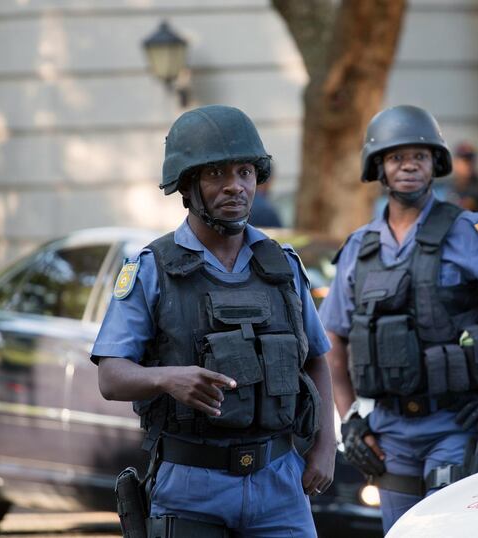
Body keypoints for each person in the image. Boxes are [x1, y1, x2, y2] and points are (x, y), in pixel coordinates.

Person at [319, 105, 478, 533]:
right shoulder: (359, 248)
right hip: (389, 433)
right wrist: (350, 421)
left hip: (457, 426)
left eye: (420, 155)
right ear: (379, 166)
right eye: (397, 157)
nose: (409, 165)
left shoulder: (467, 232)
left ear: (436, 164)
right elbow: (331, 340)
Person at [91, 105, 335, 538]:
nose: (235, 187)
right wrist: (168, 379)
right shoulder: (152, 268)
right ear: (188, 185)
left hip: (279, 481)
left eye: (244, 172)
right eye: (216, 175)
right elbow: (111, 376)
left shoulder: (283, 266)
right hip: (189, 485)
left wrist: (325, 447)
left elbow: (316, 359)